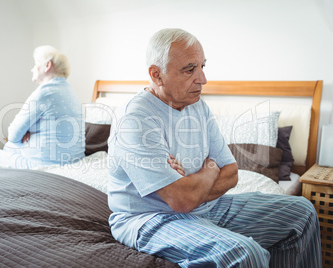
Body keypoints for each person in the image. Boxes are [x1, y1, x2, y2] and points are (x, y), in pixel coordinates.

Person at [107, 28, 322, 267]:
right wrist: (209, 169)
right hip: (150, 219)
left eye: (202, 66)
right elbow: (182, 200)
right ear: (156, 75)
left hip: (208, 207)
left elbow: (231, 172)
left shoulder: (197, 106)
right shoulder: (136, 119)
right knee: (244, 253)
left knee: (302, 212)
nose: (202, 79)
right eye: (190, 69)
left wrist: (191, 186)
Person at [0, 45, 85, 169]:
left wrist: (25, 131)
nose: (32, 69)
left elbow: (13, 134)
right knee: (11, 147)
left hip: (45, 165)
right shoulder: (71, 92)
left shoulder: (44, 92)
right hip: (73, 161)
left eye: (36, 63)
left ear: (47, 65)